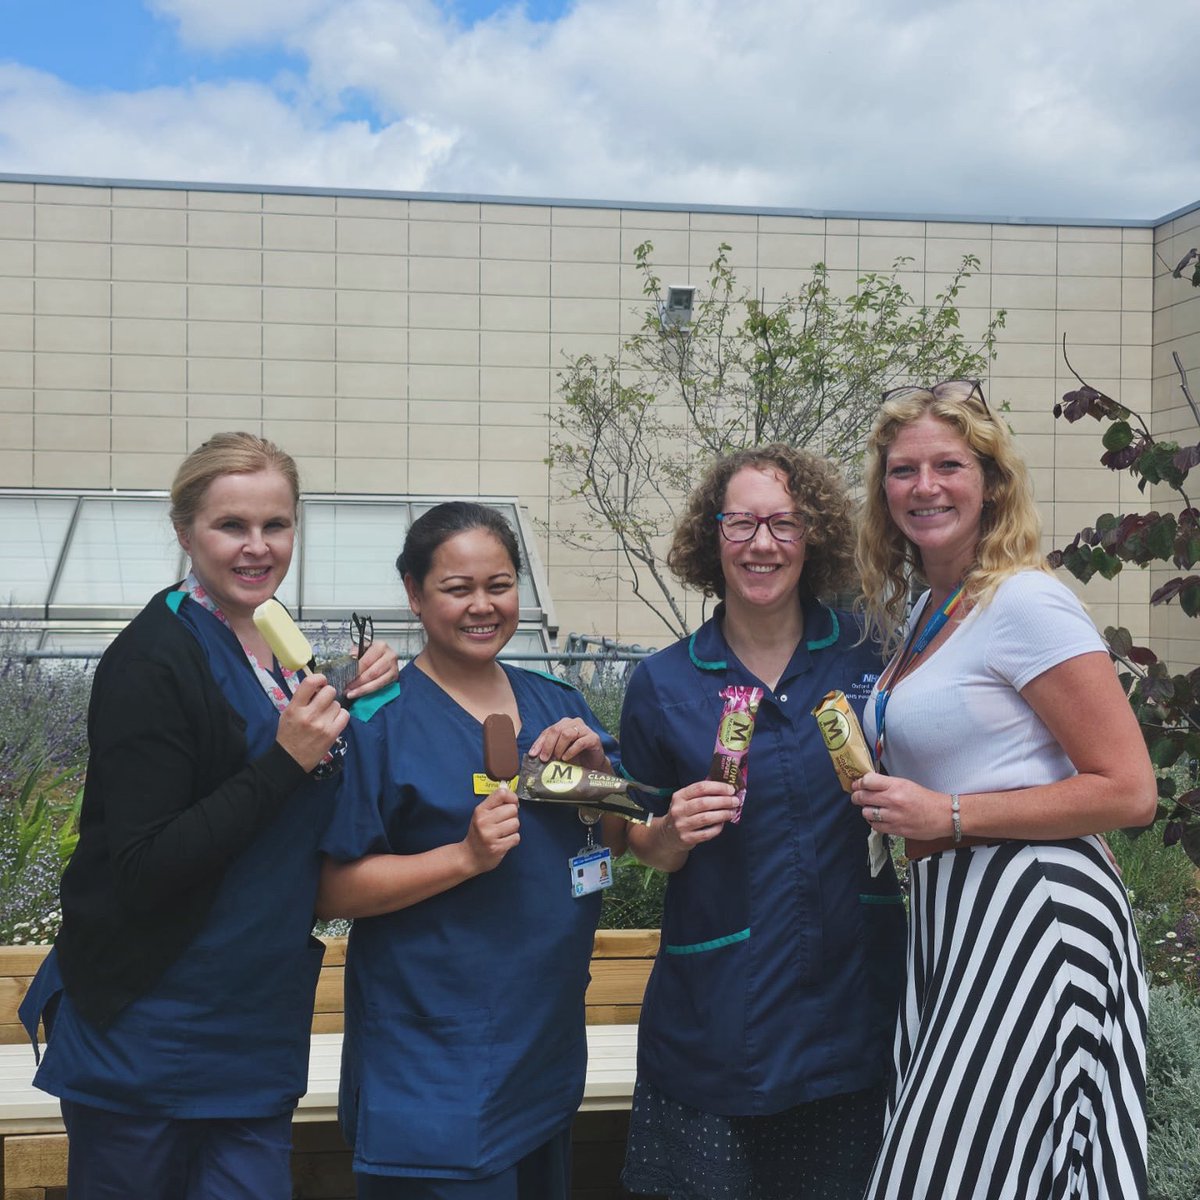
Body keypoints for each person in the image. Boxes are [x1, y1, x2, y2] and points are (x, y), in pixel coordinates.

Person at [18, 432, 400, 1200]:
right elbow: (141, 864)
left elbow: (273, 770)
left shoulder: (269, 641)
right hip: (151, 1020)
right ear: (185, 530)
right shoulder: (152, 660)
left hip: (251, 1023)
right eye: (232, 526)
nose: (258, 548)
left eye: (277, 525)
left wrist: (344, 696)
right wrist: (287, 759)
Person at [851, 380, 1156, 1199]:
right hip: (958, 917)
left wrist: (946, 814)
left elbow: (1130, 791)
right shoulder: (930, 608)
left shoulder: (1026, 601)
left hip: (1033, 913)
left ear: (990, 481)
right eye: (903, 469)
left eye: (948, 465)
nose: (924, 487)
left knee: (941, 1176)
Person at [618, 444, 907, 1200]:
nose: (762, 543)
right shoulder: (665, 682)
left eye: (783, 522)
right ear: (713, 538)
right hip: (716, 1032)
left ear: (813, 537)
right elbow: (639, 840)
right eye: (741, 522)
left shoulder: (871, 654)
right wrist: (668, 834)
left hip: (852, 1018)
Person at [316, 501, 624, 1200]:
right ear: (415, 595)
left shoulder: (559, 705)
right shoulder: (377, 718)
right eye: (458, 589)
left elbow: (612, 842)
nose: (482, 606)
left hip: (540, 1053)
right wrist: (463, 857)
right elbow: (329, 890)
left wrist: (601, 781)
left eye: (500, 584)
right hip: (431, 1063)